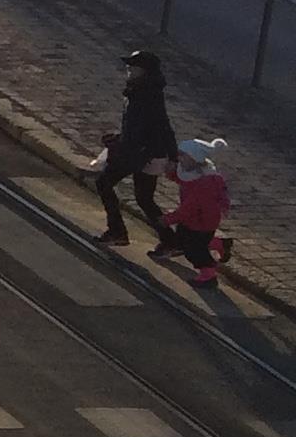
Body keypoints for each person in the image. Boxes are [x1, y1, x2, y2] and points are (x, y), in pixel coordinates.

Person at [93, 48, 178, 246]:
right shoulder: (138, 90)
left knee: (104, 183)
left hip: (141, 153)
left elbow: (163, 126)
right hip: (140, 151)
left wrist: (172, 157)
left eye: (134, 66)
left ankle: (117, 231)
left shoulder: (148, 94)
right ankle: (170, 240)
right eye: (129, 65)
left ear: (145, 71)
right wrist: (120, 137)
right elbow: (137, 125)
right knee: (144, 199)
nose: (129, 69)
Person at [161, 138, 233, 285]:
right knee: (186, 240)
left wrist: (169, 219)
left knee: (194, 250)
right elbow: (183, 181)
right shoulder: (193, 173)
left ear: (194, 158)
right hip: (193, 220)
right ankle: (218, 244)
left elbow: (189, 208)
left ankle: (208, 274)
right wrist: (171, 174)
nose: (178, 158)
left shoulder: (203, 184)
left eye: (182, 155)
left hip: (202, 222)